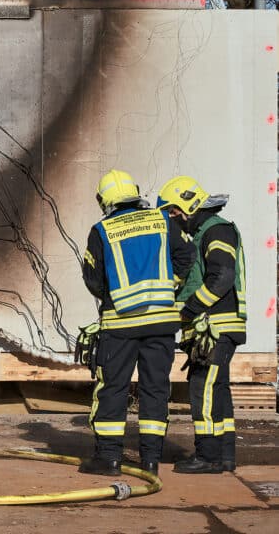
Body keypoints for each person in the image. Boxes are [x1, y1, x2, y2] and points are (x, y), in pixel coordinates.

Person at [79, 169, 195, 476]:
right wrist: (170, 286)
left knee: (113, 388)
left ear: (103, 200)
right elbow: (188, 255)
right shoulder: (162, 221)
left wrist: (115, 295)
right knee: (155, 388)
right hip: (162, 322)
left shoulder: (101, 230)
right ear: (136, 192)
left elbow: (93, 280)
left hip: (120, 324)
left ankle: (109, 458)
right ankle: (151, 460)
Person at [157, 176, 246, 474]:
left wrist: (189, 308)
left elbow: (222, 276)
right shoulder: (204, 232)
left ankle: (207, 455)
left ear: (184, 208)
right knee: (217, 388)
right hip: (213, 327)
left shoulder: (216, 230)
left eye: (173, 213)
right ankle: (224, 455)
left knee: (202, 387)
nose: (173, 219)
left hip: (216, 326)